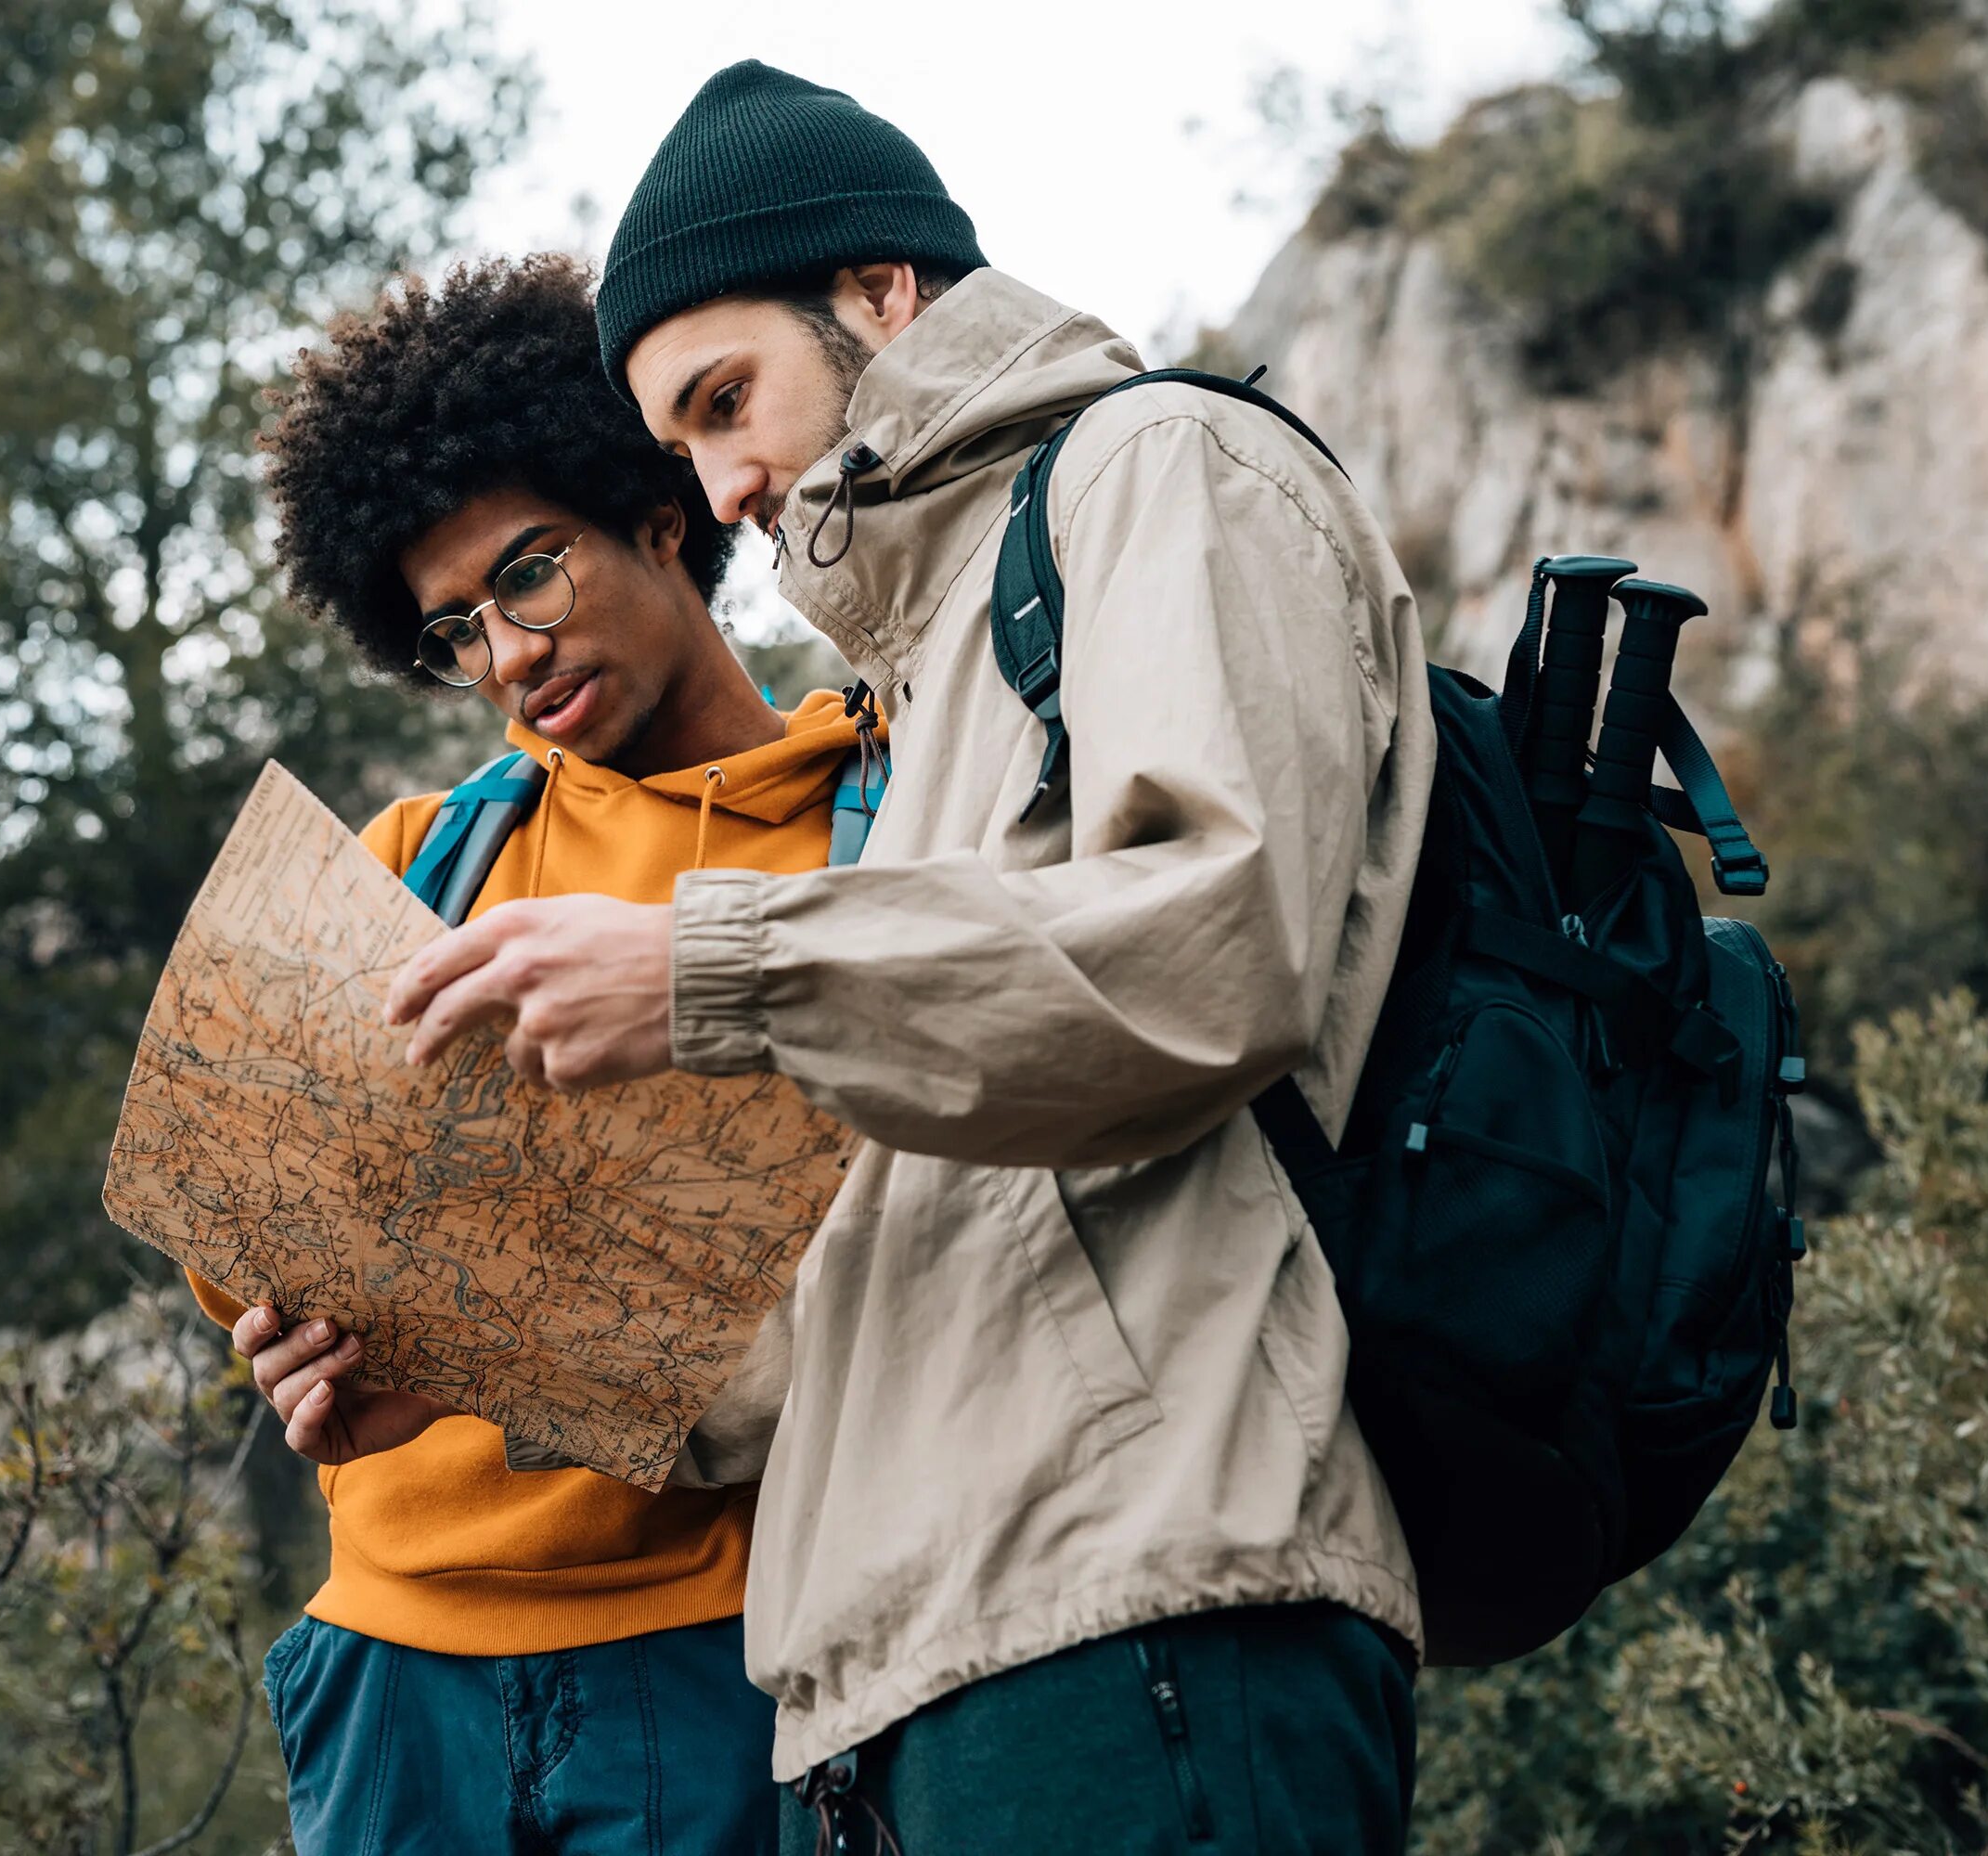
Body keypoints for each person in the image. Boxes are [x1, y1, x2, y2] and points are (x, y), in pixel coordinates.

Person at [377, 63, 1440, 1854]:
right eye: (682, 445)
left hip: (1137, 1604)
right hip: (885, 1693)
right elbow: (883, 1278)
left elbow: (1214, 945)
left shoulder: (1157, 467)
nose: (722, 489)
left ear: (883, 291)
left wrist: (706, 974)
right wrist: (480, 1356)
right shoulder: (921, 688)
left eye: (727, 400)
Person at [206, 251, 874, 1856]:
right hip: (388, 1675)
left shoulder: (880, 837)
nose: (505, 656)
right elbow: (238, 1227)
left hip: (710, 1660)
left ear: (662, 517)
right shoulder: (413, 863)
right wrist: (282, 1336)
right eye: (452, 630)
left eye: (527, 577)